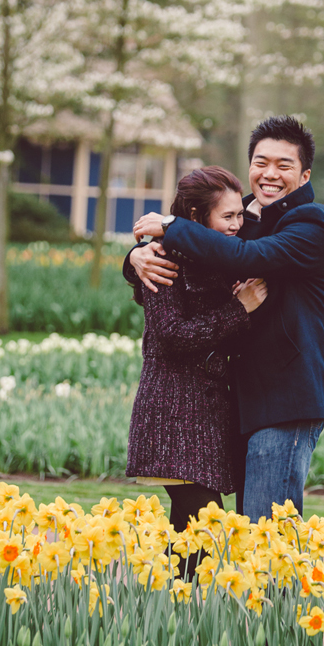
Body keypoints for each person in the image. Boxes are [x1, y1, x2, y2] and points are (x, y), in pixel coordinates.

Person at [126, 115, 324, 520]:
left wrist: (170, 227)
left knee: (263, 534)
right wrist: (136, 257)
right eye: (261, 162)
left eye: (284, 165)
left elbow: (246, 257)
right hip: (239, 402)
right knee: (236, 538)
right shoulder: (243, 220)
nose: (269, 174)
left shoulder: (309, 223)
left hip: (286, 397)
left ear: (305, 174)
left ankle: (279, 589)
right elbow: (201, 252)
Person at [125, 166, 268, 567]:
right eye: (228, 217)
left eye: (240, 215)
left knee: (190, 539)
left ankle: (171, 620)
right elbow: (172, 336)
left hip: (207, 417)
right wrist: (239, 308)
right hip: (172, 412)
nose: (238, 225)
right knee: (204, 530)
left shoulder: (221, 257)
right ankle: (176, 617)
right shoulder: (162, 258)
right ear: (193, 216)